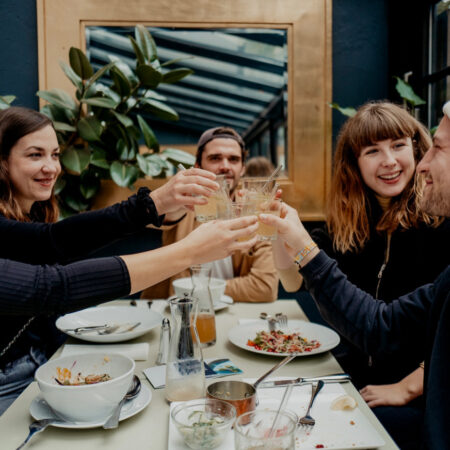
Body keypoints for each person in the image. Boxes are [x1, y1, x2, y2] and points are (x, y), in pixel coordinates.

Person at [0, 106, 250, 412]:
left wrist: (156, 204)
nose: (51, 167)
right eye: (35, 155)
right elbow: (54, 285)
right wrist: (184, 244)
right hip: (11, 379)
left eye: (55, 155)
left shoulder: (34, 218)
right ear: (2, 160)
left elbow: (54, 242)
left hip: (47, 361)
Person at [259, 100, 450, 450]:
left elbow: (441, 334)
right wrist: (278, 230)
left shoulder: (440, 221)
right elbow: (291, 281)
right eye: (372, 151)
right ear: (354, 164)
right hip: (351, 378)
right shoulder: (346, 226)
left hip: (416, 395)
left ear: (416, 149)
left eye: (398, 145)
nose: (389, 161)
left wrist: (408, 386)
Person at [141, 126, 279, 302]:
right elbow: (153, 215)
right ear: (198, 166)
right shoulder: (182, 204)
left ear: (243, 168)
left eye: (234, 159)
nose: (225, 166)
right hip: (180, 310)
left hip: (235, 313)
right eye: (215, 158)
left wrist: (200, 288)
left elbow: (265, 287)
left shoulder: (255, 210)